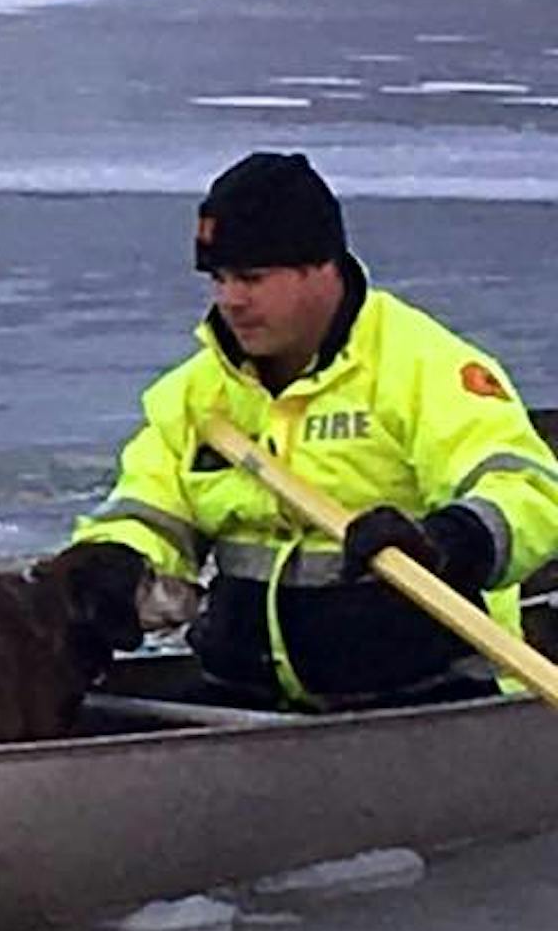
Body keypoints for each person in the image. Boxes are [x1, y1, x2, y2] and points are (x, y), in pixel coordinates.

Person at [63, 151, 558, 707]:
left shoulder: (423, 367)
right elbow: (148, 509)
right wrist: (112, 563)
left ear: (320, 267)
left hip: (428, 697)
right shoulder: (198, 396)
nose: (230, 300)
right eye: (219, 279)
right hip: (249, 698)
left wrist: (448, 541)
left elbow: (528, 490)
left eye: (251, 277)